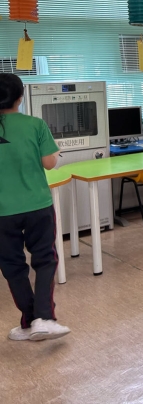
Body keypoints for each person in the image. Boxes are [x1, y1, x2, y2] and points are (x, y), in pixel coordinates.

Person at [0, 73, 70, 342]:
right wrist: (56, 151)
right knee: (44, 259)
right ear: (20, 98)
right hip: (37, 205)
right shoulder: (35, 125)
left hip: (2, 213)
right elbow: (49, 163)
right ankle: (44, 318)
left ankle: (29, 322)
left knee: (12, 267)